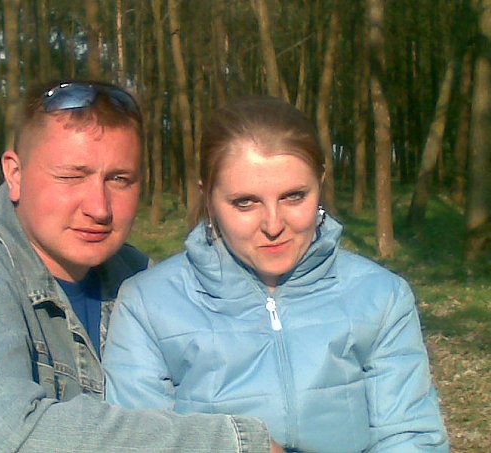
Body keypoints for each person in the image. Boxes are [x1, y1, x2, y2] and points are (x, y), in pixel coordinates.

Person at [0, 81, 283, 452]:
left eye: (119, 179)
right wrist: (231, 443)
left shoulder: (137, 275)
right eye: (71, 177)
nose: (99, 208)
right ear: (15, 174)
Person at [103, 96, 450, 452]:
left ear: (321, 183)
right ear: (208, 197)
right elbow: (139, 441)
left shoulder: (381, 296)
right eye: (245, 202)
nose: (273, 225)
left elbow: (410, 436)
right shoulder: (148, 305)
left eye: (294, 197)